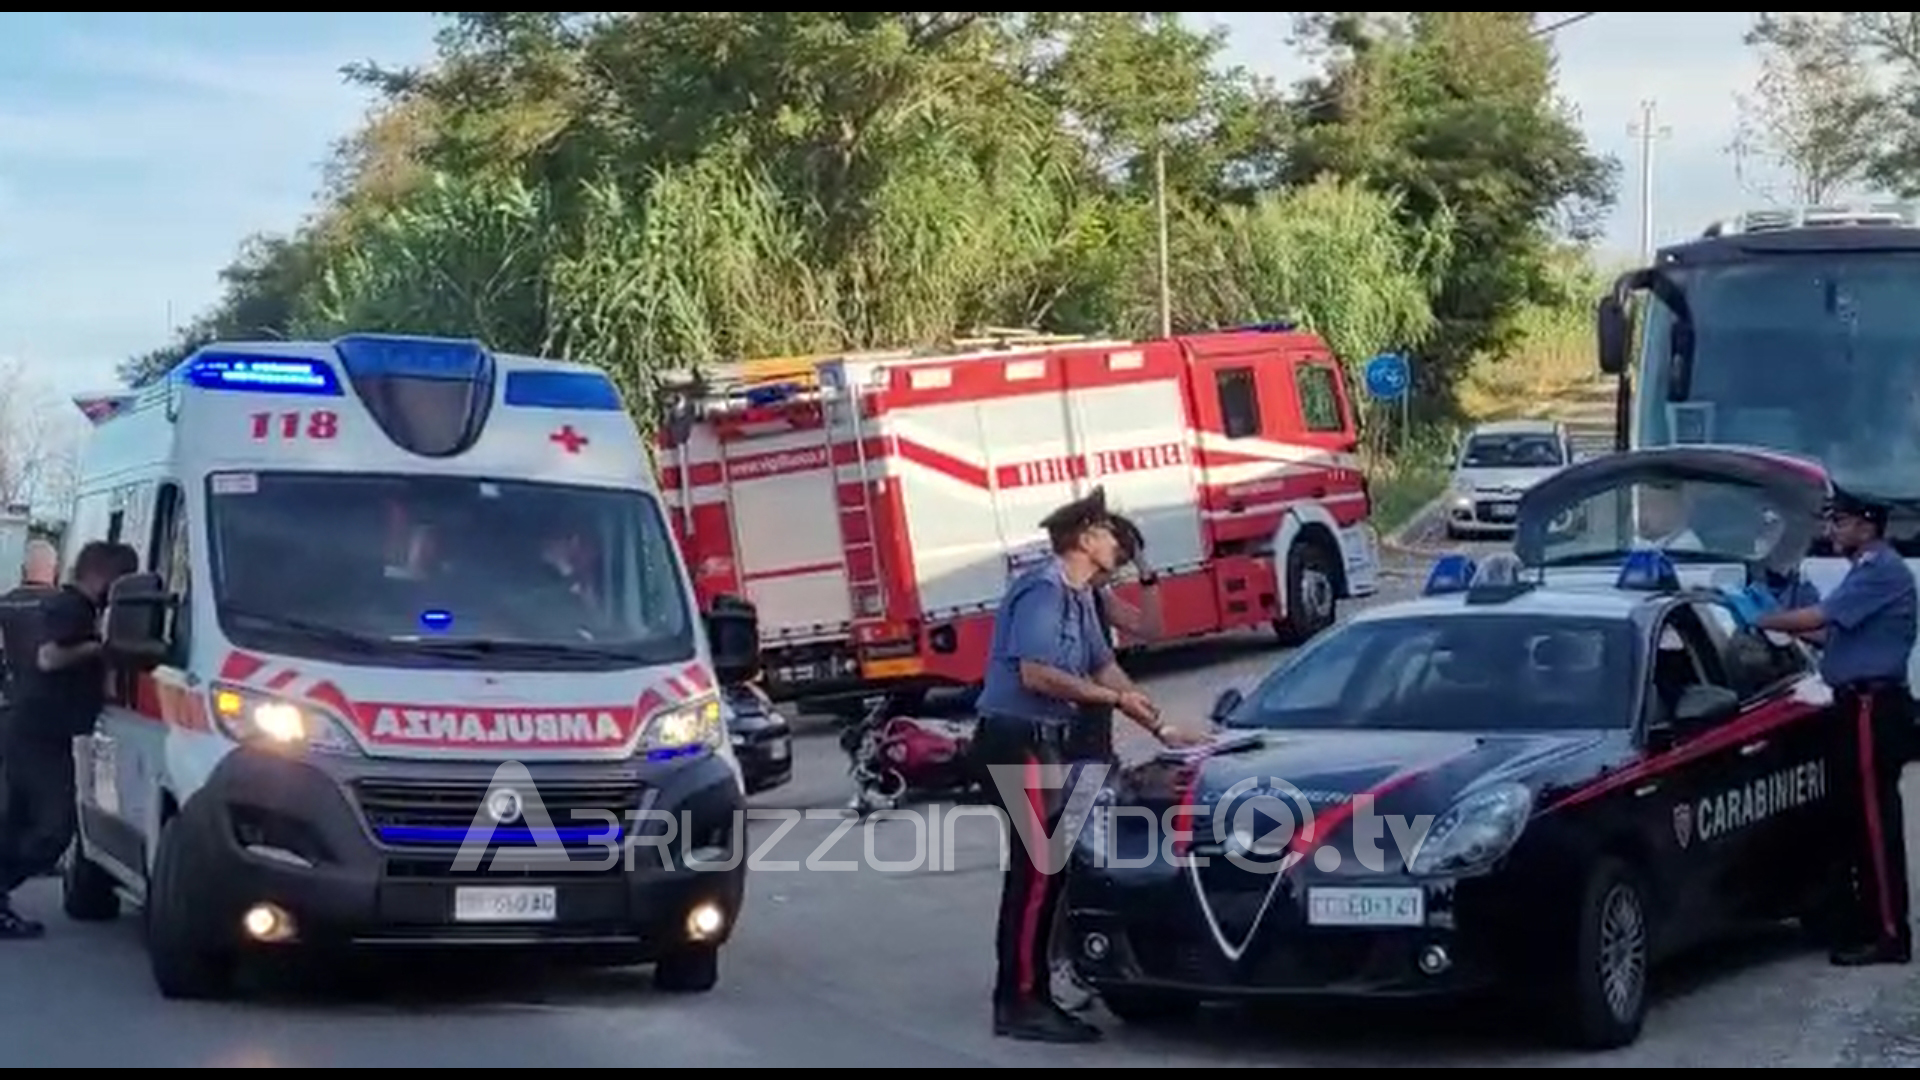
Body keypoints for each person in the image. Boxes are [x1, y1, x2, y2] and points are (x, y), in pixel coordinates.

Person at [974, 488, 1201, 1043]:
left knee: (1048, 870)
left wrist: (1158, 723)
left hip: (1045, 741)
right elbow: (1037, 674)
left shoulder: (1079, 598)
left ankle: (1032, 992)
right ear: (1082, 538)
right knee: (1037, 871)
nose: (1116, 541)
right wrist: (1114, 702)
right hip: (1016, 740)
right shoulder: (1044, 590)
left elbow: (1105, 670)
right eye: (1105, 531)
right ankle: (1020, 1001)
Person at [1746, 489, 1917, 966]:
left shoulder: (1880, 570)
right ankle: (1863, 921)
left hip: (1871, 706)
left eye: (1840, 523)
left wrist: (1761, 617)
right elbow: (1827, 633)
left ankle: (1888, 934)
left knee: (1874, 823)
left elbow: (1819, 616)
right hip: (1853, 704)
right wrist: (1781, 626)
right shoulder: (1864, 574)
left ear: (1867, 526)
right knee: (1855, 823)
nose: (1832, 531)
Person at [0, 540, 137, 938]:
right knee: (53, 829)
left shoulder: (69, 606)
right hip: (40, 733)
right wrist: (99, 648)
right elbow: (49, 657)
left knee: (20, 822)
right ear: (104, 575)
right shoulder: (72, 608)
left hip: (35, 730)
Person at [1632, 481, 1704, 551]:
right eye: (1639, 505)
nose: (1640, 513)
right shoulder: (1639, 544)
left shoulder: (1687, 545)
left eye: (1647, 504)